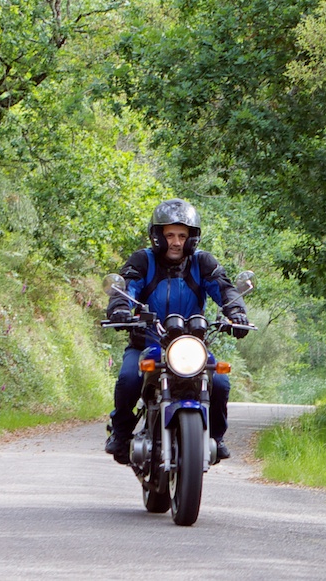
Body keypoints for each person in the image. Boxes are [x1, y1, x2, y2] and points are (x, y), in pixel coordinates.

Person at [104, 198, 249, 465]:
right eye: (169, 234)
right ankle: (122, 433)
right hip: (148, 341)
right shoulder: (142, 261)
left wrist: (236, 312)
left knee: (219, 381)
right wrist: (120, 309)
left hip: (190, 346)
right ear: (157, 236)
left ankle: (216, 437)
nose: (175, 241)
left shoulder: (202, 262)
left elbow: (224, 289)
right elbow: (127, 288)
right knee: (128, 378)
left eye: (182, 235)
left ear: (191, 238)